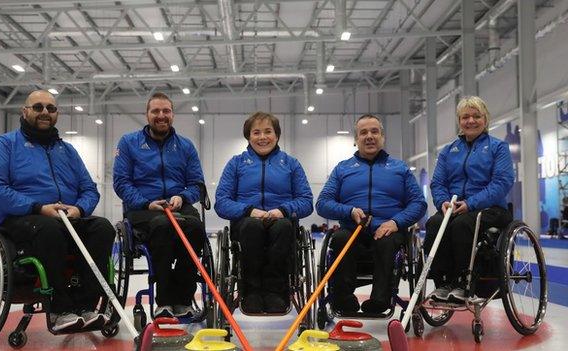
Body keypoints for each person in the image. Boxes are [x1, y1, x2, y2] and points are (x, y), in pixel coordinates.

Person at [0, 90, 115, 331]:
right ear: (25, 111)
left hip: (66, 218)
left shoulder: (67, 151)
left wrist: (79, 208)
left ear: (56, 114)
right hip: (20, 219)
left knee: (102, 227)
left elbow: (89, 189)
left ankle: (86, 307)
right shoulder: (6, 145)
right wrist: (38, 207)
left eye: (51, 109)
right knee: (49, 228)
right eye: (38, 107)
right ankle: (60, 309)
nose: (45, 112)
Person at [316, 114, 426, 314]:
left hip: (387, 231)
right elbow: (322, 203)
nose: (369, 136)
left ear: (382, 137)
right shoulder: (342, 169)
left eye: (374, 132)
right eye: (363, 132)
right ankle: (344, 300)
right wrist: (348, 211)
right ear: (356, 139)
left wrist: (395, 222)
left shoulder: (399, 168)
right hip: (352, 230)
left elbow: (419, 203)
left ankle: (380, 301)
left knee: (387, 240)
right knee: (339, 238)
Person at [113, 92, 205, 318]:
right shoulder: (128, 143)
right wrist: (146, 202)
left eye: (166, 111)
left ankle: (183, 299)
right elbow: (122, 183)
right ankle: (164, 301)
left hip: (178, 207)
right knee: (163, 226)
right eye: (155, 111)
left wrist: (182, 197)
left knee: (195, 228)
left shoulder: (186, 146)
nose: (161, 115)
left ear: (172, 115)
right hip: (143, 209)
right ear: (147, 115)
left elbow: (196, 184)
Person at [215, 111, 313, 313]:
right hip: (247, 223)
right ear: (248, 137)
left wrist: (283, 210)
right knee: (252, 226)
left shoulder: (291, 164)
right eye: (256, 132)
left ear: (277, 136)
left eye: (268, 132)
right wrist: (249, 210)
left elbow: (306, 201)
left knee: (284, 226)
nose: (262, 137)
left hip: (281, 221)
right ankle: (250, 291)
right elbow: (221, 202)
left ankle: (276, 291)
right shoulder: (236, 163)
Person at [425, 96, 514, 302]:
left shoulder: (498, 147)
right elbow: (438, 183)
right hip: (454, 207)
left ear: (486, 119)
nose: (471, 121)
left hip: (490, 208)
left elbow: (502, 182)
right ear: (459, 121)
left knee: (463, 225)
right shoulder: (448, 151)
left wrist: (471, 203)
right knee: (435, 223)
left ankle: (465, 284)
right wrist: (443, 202)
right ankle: (444, 283)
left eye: (476, 116)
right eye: (465, 117)